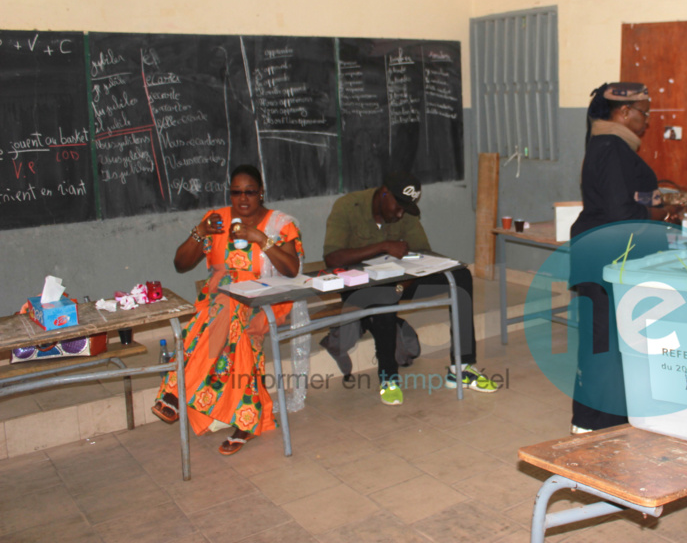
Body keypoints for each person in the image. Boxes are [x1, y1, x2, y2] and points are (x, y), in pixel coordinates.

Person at [152, 164, 303, 456]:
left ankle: (176, 391)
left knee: (228, 313)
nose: (243, 199)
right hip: (221, 307)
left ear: (261, 193)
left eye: (250, 192)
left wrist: (261, 238)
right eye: (236, 193)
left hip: (267, 301)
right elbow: (180, 264)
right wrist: (199, 232)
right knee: (233, 322)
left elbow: (292, 270)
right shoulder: (217, 221)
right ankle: (247, 420)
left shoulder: (279, 224)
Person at [323, 170, 498, 405]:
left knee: (461, 277)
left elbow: (423, 254)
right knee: (384, 293)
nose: (401, 213)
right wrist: (383, 246)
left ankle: (462, 368)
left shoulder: (404, 212)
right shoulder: (348, 207)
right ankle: (389, 379)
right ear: (384, 193)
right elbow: (332, 259)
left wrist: (403, 281)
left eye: (406, 208)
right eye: (398, 206)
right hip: (358, 285)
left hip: (401, 281)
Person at [569, 82, 682, 434]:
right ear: (622, 112)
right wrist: (661, 215)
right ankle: (590, 423)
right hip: (606, 255)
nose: (647, 121)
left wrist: (660, 202)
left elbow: (629, 196)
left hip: (607, 253)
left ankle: (605, 418)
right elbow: (621, 211)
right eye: (643, 113)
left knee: (610, 339)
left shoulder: (609, 146)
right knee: (603, 342)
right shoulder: (611, 147)